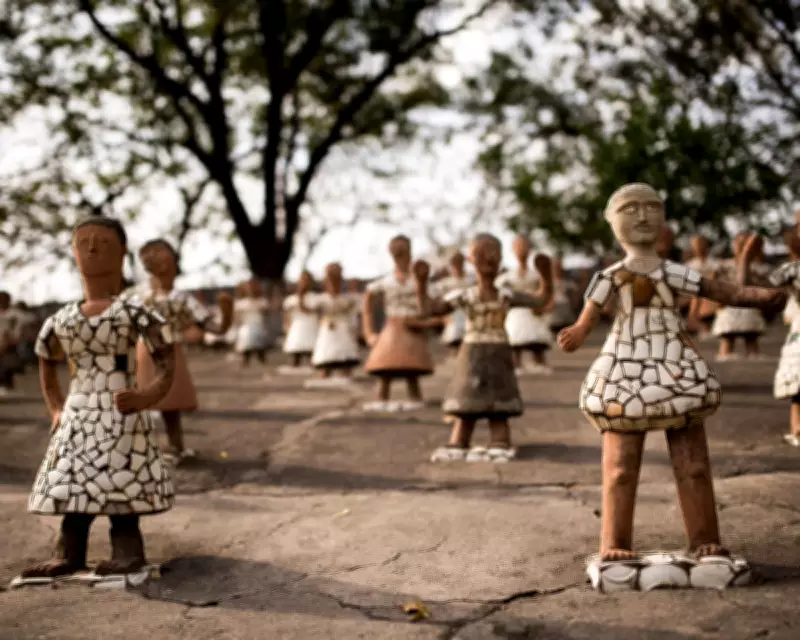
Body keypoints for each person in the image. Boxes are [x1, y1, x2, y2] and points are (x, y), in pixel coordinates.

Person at [558, 183, 784, 588]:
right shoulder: (612, 275)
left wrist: (758, 296)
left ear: (663, 218)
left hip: (674, 363)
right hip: (625, 366)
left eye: (651, 207)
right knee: (620, 468)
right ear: (612, 222)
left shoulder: (673, 272)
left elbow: (720, 290)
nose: (642, 215)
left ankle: (705, 539)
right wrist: (577, 331)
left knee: (694, 465)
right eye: (630, 209)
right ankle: (615, 542)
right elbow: (588, 315)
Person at [18, 217, 177, 582]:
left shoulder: (134, 313)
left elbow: (167, 361)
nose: (92, 249)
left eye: (103, 243)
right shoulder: (61, 318)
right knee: (72, 481)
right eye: (83, 242)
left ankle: (127, 551)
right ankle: (68, 553)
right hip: (77, 411)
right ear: (73, 253)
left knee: (121, 480)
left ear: (122, 253)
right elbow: (46, 361)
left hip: (121, 408)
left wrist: (145, 396)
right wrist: (55, 408)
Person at [420, 234, 553, 462]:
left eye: (493, 254)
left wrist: (546, 277)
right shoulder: (465, 296)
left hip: (498, 351)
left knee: (499, 399)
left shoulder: (505, 295)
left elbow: (540, 301)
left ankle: (499, 438)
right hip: (472, 352)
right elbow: (430, 309)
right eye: (480, 254)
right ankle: (460, 438)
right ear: (471, 260)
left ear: (500, 260)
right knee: (466, 397)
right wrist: (420, 283)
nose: (488, 259)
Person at [122, 238, 232, 465]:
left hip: (171, 352)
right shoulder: (134, 295)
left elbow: (214, 326)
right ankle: (136, 449)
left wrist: (227, 315)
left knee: (170, 404)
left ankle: (175, 446)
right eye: (153, 254)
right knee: (138, 401)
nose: (159, 259)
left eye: (163, 254)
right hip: (145, 352)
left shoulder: (182, 298)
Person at [361, 235, 438, 411]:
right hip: (392, 327)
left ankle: (415, 397)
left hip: (413, 326)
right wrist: (369, 333)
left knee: (412, 366)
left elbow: (431, 301)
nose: (400, 254)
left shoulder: (417, 280)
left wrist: (430, 319)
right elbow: (368, 305)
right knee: (385, 365)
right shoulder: (386, 281)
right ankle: (382, 397)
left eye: (403, 250)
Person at [495, 235, 554, 375]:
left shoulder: (536, 275)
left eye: (524, 246)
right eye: (518, 246)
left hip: (534, 310)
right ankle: (516, 363)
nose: (522, 250)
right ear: (513, 249)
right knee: (514, 336)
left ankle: (539, 361)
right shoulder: (507, 276)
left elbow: (548, 291)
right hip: (515, 312)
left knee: (537, 338)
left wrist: (545, 306)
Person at [302, 263, 361, 387]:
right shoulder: (321, 299)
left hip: (343, 327)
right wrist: (301, 294)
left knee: (344, 348)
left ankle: (345, 371)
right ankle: (326, 371)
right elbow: (307, 310)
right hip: (328, 327)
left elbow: (357, 311)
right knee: (326, 348)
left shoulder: (348, 299)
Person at [281, 271, 319, 373]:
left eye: (307, 280)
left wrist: (302, 300)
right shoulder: (291, 299)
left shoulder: (315, 298)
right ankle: (295, 364)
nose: (304, 282)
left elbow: (314, 312)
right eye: (302, 280)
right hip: (297, 325)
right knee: (296, 349)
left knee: (312, 349)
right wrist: (286, 327)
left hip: (311, 325)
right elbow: (287, 316)